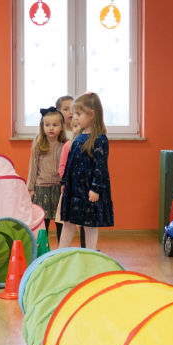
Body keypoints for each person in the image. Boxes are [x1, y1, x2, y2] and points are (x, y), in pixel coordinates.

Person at [58, 92, 114, 250]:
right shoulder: (77, 137)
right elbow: (70, 162)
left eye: (79, 114)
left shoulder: (100, 139)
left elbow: (100, 166)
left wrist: (95, 188)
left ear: (92, 114)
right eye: (74, 114)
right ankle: (60, 253)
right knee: (68, 222)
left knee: (90, 224)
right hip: (74, 189)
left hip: (88, 189)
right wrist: (64, 181)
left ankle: (90, 252)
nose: (75, 117)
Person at [28, 107, 67, 244]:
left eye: (55, 125)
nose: (51, 128)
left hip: (59, 188)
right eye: (47, 125)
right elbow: (33, 166)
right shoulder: (39, 143)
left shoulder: (65, 145)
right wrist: (30, 188)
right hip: (41, 188)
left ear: (61, 127)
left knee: (60, 221)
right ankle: (41, 247)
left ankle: (61, 248)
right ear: (42, 126)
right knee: (42, 222)